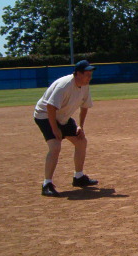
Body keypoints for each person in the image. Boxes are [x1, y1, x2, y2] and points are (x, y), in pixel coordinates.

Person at [34, 60, 99, 197]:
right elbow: (50, 107)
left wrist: (80, 126)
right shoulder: (64, 85)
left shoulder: (85, 86)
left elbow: (85, 106)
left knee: (81, 141)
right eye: (87, 74)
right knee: (55, 146)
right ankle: (47, 184)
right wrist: (55, 129)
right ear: (78, 74)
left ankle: (78, 177)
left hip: (62, 117)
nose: (90, 77)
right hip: (45, 115)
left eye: (90, 74)